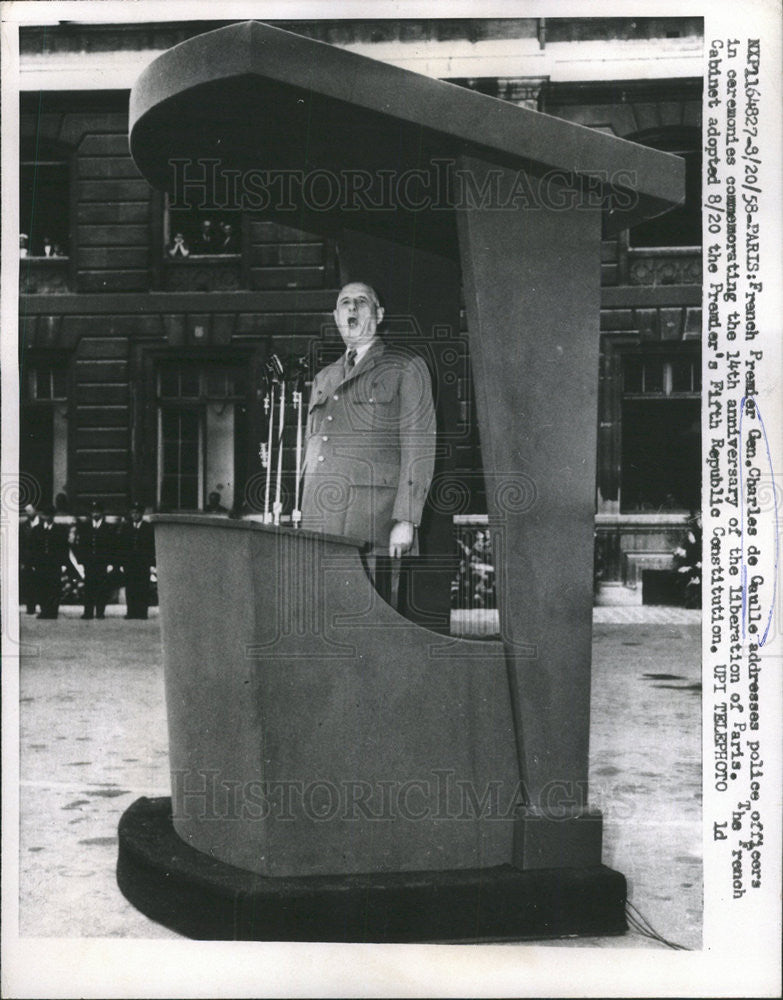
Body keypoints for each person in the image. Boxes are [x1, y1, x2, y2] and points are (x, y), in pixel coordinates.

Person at [300, 282, 436, 571]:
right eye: (345, 303)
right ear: (335, 316)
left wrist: (406, 519)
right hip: (319, 523)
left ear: (380, 314)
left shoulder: (405, 367)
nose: (352, 308)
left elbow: (419, 448)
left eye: (361, 302)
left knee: (368, 615)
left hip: (373, 526)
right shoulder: (325, 377)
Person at [77, 501, 116, 619]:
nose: (95, 514)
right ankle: (88, 612)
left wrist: (110, 563)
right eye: (93, 512)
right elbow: (82, 546)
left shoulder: (107, 528)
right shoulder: (86, 527)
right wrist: (81, 561)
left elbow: (112, 547)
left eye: (97, 512)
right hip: (89, 563)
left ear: (102, 513)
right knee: (89, 588)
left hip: (102, 563)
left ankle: (100, 612)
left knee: (102, 589)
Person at [28, 505, 67, 619]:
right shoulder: (37, 530)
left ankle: (53, 611)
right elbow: (32, 549)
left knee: (54, 588)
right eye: (45, 515)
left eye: (50, 515)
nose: (48, 517)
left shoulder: (60, 530)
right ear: (43, 516)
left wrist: (63, 564)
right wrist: (33, 563)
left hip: (54, 565)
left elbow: (64, 548)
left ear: (53, 516)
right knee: (42, 587)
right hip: (41, 565)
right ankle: (44, 610)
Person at [118, 502, 156, 619]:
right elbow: (122, 546)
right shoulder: (127, 527)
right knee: (130, 588)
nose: (134, 515)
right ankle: (131, 611)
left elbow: (151, 546)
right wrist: (122, 562)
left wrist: (151, 563)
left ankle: (142, 612)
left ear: (141, 514)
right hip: (130, 563)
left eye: (137, 513)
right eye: (133, 513)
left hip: (142, 563)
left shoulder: (148, 528)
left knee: (143, 587)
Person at [20, 503, 40, 614]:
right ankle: (30, 607)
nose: (29, 513)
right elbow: (21, 544)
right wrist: (22, 561)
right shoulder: (24, 526)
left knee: (42, 582)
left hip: (40, 558)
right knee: (29, 583)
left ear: (35, 511)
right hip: (28, 559)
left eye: (30, 511)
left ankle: (44, 606)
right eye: (27, 511)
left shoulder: (42, 523)